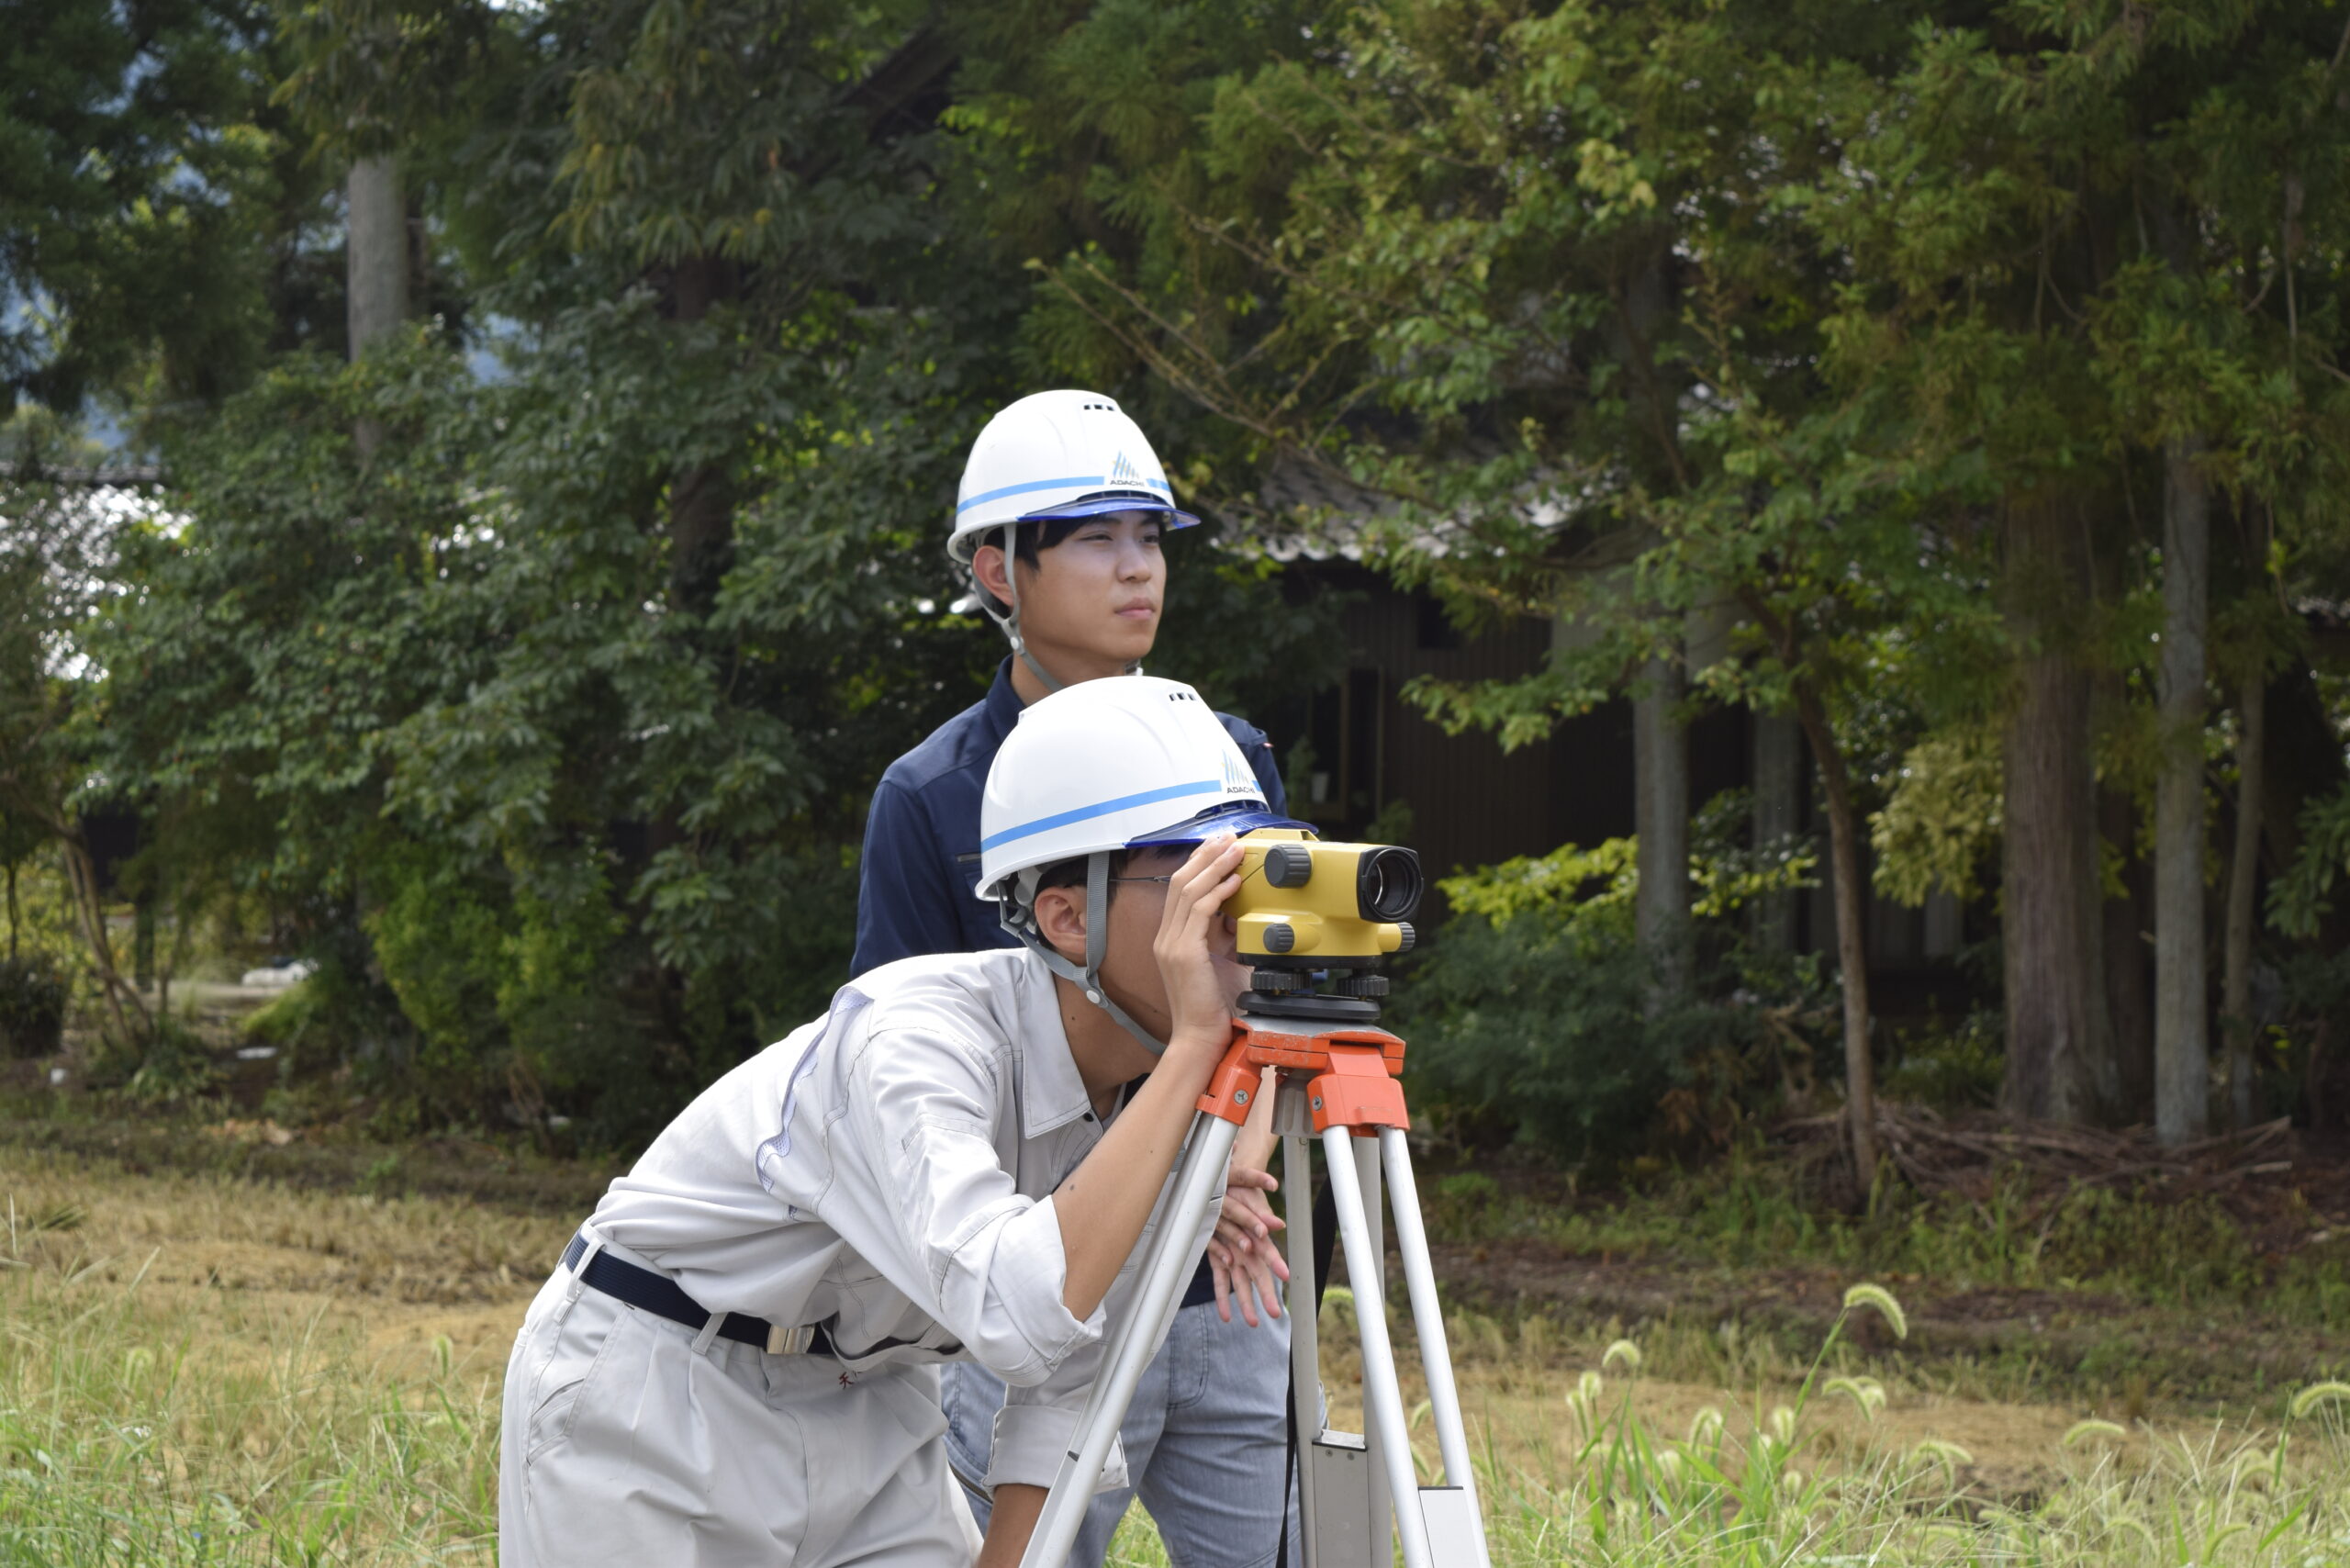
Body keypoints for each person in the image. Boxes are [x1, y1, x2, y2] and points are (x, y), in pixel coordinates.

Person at [498, 677, 1304, 1568]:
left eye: (1252, 870)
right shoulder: (915, 1036)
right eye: (1200, 876)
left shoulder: (1178, 1098)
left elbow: (1074, 1374)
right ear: (1068, 918)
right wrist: (1195, 1046)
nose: (1236, 913)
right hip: (660, 1387)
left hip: (872, 1396)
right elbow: (1014, 1315)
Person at [854, 390, 1301, 1565]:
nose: (1138, 568)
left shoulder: (1227, 755)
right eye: (1098, 538)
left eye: (1149, 536)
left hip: (1225, 1275)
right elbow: (900, 1082)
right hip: (1042, 1292)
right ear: (999, 570)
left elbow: (1266, 991)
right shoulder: (929, 794)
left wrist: (1231, 1169)